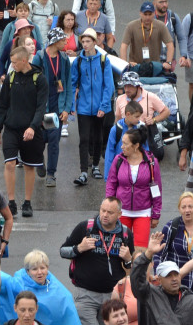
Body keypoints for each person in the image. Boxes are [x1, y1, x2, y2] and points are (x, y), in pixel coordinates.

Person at [60, 198, 136, 325]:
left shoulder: (125, 234)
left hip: (111, 297)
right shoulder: (85, 227)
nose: (105, 215)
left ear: (119, 214)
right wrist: (79, 248)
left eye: (110, 212)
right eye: (103, 210)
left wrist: (128, 259)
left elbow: (128, 267)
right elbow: (63, 251)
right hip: (85, 296)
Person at [0, 44, 48, 218]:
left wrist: (33, 127)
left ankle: (27, 202)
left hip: (31, 129)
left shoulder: (39, 79)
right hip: (11, 128)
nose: (12, 65)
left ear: (24, 61)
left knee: (29, 167)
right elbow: (2, 104)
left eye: (15, 62)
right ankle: (11, 202)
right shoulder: (11, 77)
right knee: (9, 164)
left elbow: (41, 107)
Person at [71, 27, 115, 186]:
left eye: (88, 41)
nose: (85, 44)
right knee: (84, 139)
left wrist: (103, 106)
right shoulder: (78, 61)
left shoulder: (104, 60)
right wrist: (71, 105)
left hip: (99, 107)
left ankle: (95, 165)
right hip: (83, 107)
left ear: (95, 42)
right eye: (83, 41)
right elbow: (72, 83)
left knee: (98, 138)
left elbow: (108, 86)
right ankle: (83, 171)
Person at [32, 27, 75, 187]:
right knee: (39, 141)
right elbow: (32, 83)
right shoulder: (39, 57)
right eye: (63, 39)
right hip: (41, 107)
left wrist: (66, 109)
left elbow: (68, 85)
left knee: (54, 141)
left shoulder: (64, 59)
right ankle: (39, 161)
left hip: (57, 107)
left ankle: (51, 173)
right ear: (55, 41)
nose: (67, 42)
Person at [106, 128, 162, 244]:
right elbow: (111, 184)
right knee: (120, 249)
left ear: (136, 146)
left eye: (125, 144)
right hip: (121, 212)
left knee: (140, 252)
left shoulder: (151, 162)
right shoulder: (118, 160)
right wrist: (110, 206)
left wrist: (156, 213)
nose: (122, 147)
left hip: (143, 213)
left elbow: (156, 189)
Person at [153, 192, 193, 291]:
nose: (187, 210)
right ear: (179, 209)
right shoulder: (171, 227)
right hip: (178, 282)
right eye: (183, 207)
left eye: (190, 206)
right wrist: (158, 274)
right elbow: (158, 254)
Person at [120, 1, 176, 69]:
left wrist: (168, 62)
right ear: (140, 13)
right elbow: (124, 46)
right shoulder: (131, 26)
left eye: (150, 14)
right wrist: (125, 64)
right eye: (145, 14)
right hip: (136, 65)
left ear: (154, 13)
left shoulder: (160, 26)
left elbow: (170, 44)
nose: (147, 17)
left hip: (154, 66)